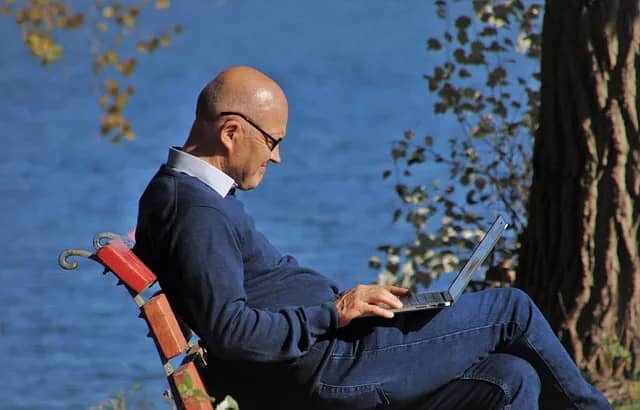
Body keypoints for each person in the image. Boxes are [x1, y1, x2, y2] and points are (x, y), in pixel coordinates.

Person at [134, 66, 610, 410]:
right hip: (331, 368)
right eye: (273, 142)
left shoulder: (186, 196)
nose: (276, 158)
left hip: (330, 358)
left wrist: (345, 308)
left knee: (509, 378)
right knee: (512, 310)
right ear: (232, 131)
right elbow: (232, 331)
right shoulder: (195, 210)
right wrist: (334, 313)